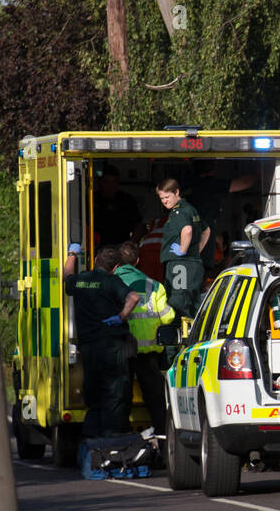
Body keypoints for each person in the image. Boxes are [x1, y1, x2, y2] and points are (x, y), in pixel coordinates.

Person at [63, 243, 141, 447]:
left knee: (93, 395)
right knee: (114, 395)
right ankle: (111, 444)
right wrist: (122, 316)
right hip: (112, 345)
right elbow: (134, 297)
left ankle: (91, 446)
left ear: (95, 261)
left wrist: (72, 254)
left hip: (89, 347)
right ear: (115, 268)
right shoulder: (112, 281)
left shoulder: (81, 281)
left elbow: (67, 277)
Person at [114, 241, 175, 438]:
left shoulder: (110, 282)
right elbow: (167, 316)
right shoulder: (154, 286)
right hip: (148, 354)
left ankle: (120, 437)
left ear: (117, 263)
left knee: (121, 396)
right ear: (138, 261)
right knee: (156, 399)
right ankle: (163, 439)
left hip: (121, 349)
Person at [190, 165, 256, 273]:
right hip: (202, 255)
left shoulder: (191, 187)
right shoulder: (208, 184)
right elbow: (245, 183)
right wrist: (260, 171)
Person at [157, 178, 204, 319]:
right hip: (194, 264)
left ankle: (179, 338)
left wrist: (183, 250)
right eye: (162, 198)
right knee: (193, 303)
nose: (165, 201)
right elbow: (206, 231)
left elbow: (187, 230)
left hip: (180, 265)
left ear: (176, 192)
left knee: (178, 303)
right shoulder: (191, 210)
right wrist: (197, 249)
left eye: (167, 197)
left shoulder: (178, 212)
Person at [93, 168, 142, 249]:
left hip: (121, 249)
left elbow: (139, 225)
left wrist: (130, 244)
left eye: (114, 182)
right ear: (100, 183)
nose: (111, 186)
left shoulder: (126, 200)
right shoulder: (92, 199)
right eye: (107, 182)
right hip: (96, 249)